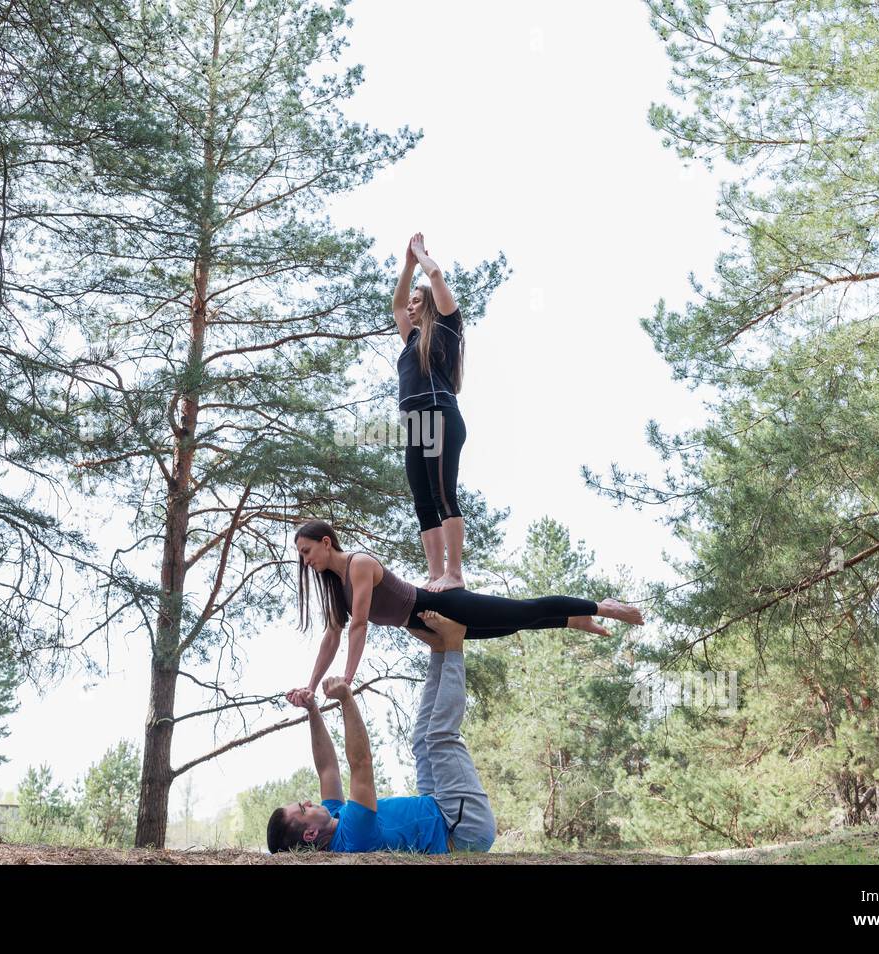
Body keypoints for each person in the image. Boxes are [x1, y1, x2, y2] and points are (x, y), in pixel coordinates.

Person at [289, 518, 644, 696]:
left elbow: (359, 625)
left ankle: (601, 606)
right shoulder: (337, 587)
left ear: (325, 542)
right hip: (427, 625)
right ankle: (571, 621)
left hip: (442, 605)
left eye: (306, 552)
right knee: (510, 627)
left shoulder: (359, 564)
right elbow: (331, 636)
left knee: (522, 611)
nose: (305, 561)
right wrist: (310, 685)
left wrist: (349, 679)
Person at [267, 611, 496, 854]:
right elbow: (361, 763)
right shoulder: (354, 836)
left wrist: (312, 710)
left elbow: (327, 769)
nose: (308, 801)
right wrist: (346, 699)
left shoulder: (333, 817)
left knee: (421, 739)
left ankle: (439, 652)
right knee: (439, 736)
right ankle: (454, 645)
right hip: (462, 828)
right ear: (311, 834)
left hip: (438, 806)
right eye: (303, 809)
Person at [393, 232, 467, 592]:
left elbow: (436, 278)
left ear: (431, 305)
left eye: (416, 300)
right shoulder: (411, 340)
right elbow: (395, 307)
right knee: (422, 500)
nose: (409, 305)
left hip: (439, 415)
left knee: (442, 494)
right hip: (416, 424)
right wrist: (406, 267)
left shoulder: (448, 328)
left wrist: (421, 255)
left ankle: (454, 573)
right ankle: (436, 574)